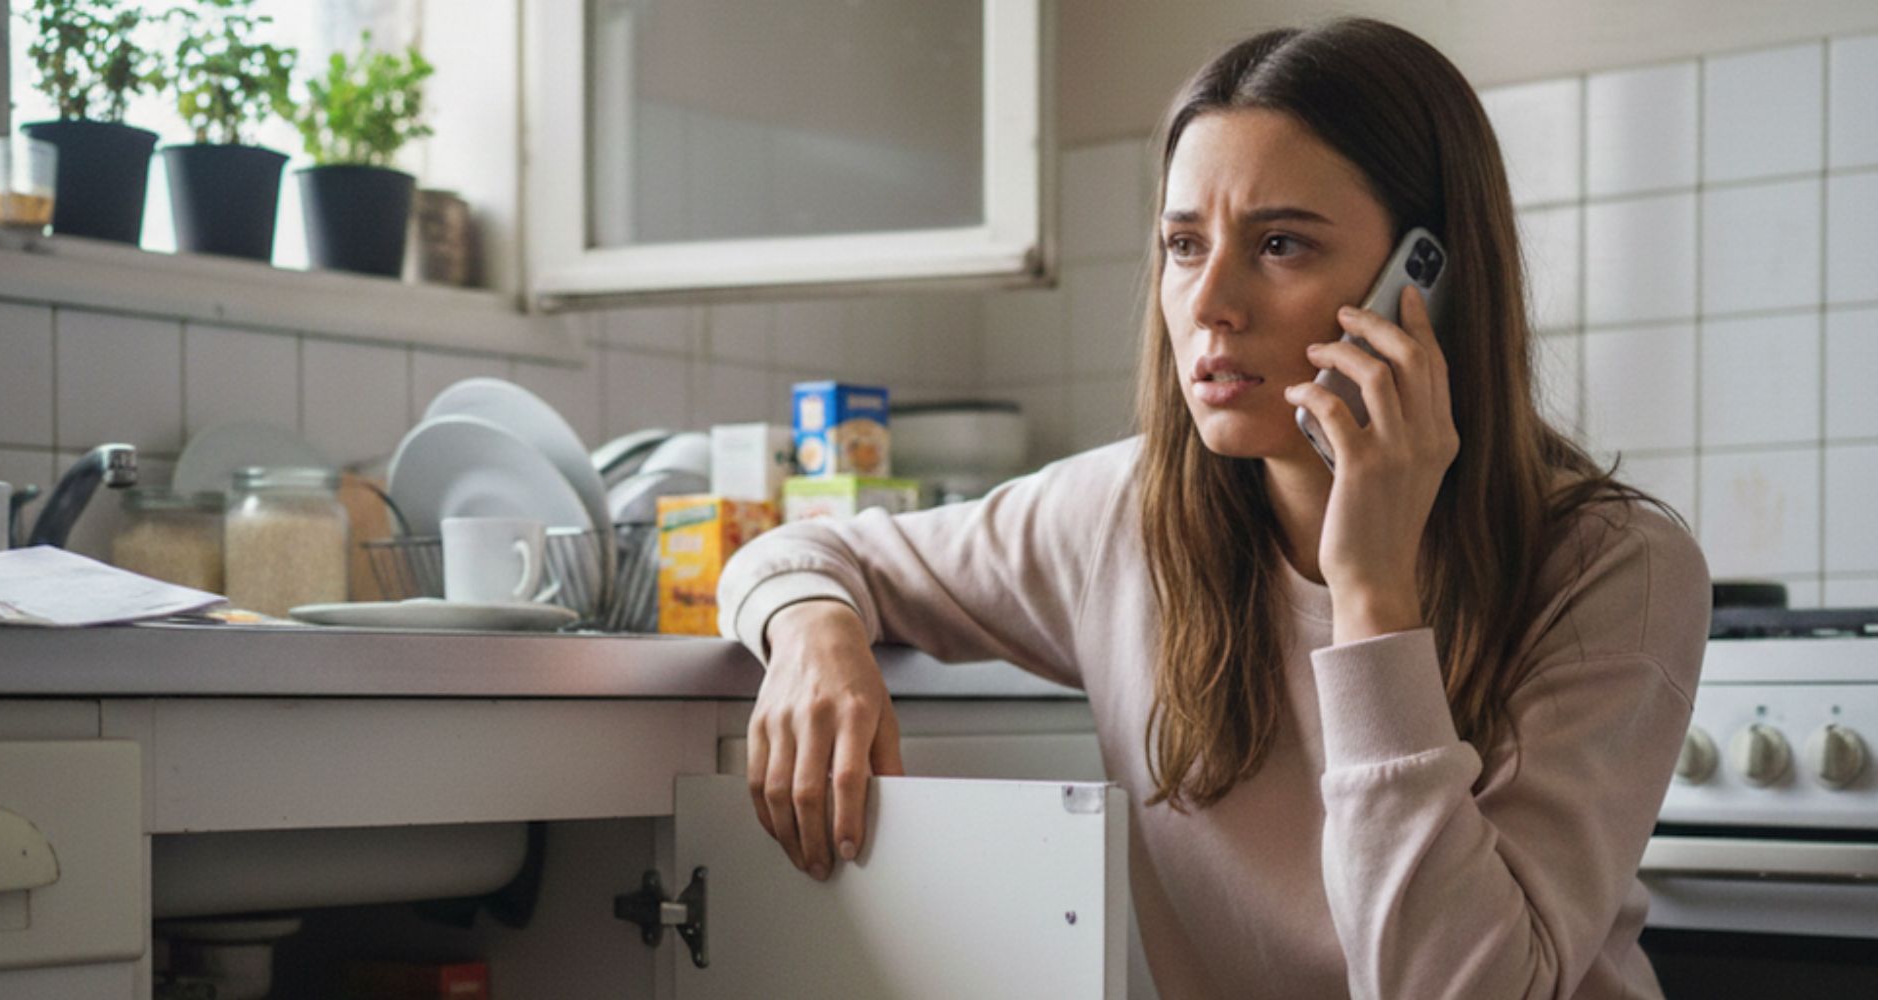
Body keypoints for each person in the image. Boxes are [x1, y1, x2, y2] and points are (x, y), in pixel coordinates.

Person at [716, 16, 1709, 1000]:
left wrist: (1368, 591)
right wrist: (812, 634)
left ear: (1424, 284)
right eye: (1184, 244)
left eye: (1278, 244)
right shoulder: (1118, 517)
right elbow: (797, 553)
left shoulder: (1612, 566)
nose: (1208, 302)